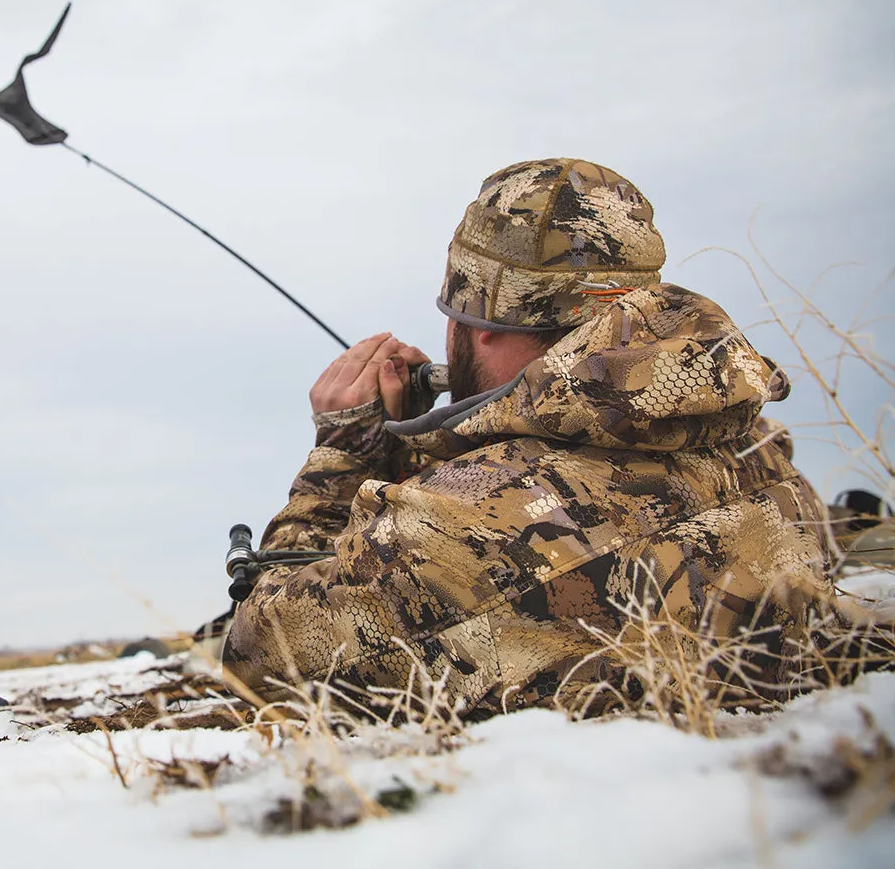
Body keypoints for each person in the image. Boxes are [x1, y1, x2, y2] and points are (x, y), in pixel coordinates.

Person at [221, 158, 832, 714]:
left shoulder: (460, 525)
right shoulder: (759, 449)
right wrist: (430, 457)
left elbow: (260, 655)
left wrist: (342, 457)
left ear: (482, 322)